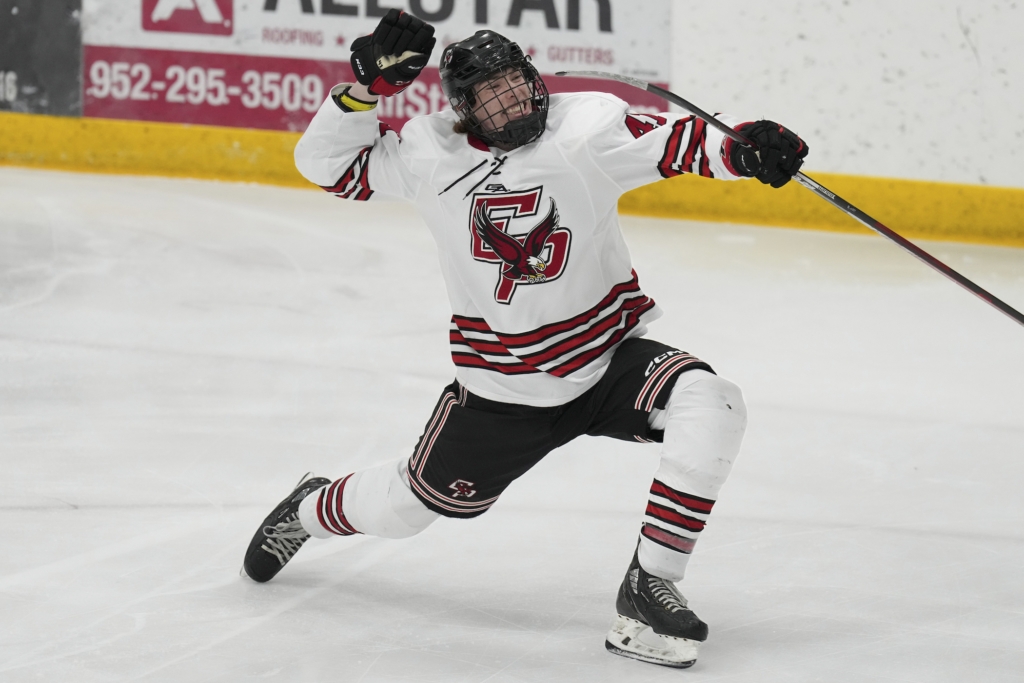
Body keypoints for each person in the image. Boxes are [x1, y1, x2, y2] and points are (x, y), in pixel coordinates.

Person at [242, 10, 808, 670]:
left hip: (605, 363)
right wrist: (362, 89)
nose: (513, 101)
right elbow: (328, 167)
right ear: (464, 109)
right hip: (501, 389)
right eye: (493, 94)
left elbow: (674, 143)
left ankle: (649, 586)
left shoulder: (586, 125)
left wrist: (743, 148)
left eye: (517, 83)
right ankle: (305, 509)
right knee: (409, 506)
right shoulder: (430, 151)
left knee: (713, 403)